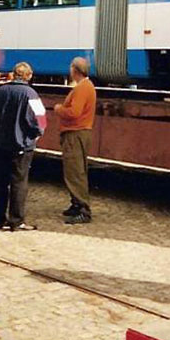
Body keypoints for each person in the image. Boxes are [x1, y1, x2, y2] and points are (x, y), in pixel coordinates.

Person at [0, 62, 42, 231]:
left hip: (1, 144)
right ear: (29, 76)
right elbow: (40, 120)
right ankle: (16, 220)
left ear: (13, 74)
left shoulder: (0, 92)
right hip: (21, 145)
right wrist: (36, 134)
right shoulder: (31, 94)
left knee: (0, 182)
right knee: (19, 183)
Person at [54, 56, 96, 224]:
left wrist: (59, 109)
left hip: (75, 133)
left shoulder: (81, 89)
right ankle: (76, 204)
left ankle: (83, 209)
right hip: (79, 132)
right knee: (76, 169)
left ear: (75, 70)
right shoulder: (87, 86)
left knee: (75, 171)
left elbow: (74, 112)